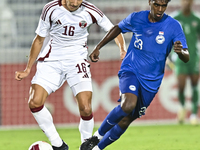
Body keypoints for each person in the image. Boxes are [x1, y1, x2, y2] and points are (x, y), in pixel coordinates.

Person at [15, 0, 126, 150]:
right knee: (34, 102)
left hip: (77, 60)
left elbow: (114, 29)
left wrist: (122, 49)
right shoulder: (50, 9)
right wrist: (28, 68)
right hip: (52, 60)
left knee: (86, 108)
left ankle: (86, 145)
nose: (75, 2)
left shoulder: (90, 10)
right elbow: (39, 39)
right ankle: (58, 145)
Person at [79, 0, 190, 150]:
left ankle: (97, 149)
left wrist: (180, 51)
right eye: (157, 4)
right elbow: (118, 28)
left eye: (164, 6)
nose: (160, 9)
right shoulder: (136, 18)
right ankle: (96, 137)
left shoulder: (173, 26)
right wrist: (98, 47)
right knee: (127, 104)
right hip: (131, 69)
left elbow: (186, 56)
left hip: (151, 82)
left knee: (126, 120)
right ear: (150, 2)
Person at [171, 0, 200, 125]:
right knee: (181, 85)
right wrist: (170, 56)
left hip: (194, 57)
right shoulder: (175, 18)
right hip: (180, 58)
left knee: (194, 84)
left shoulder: (197, 19)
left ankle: (194, 114)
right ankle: (182, 107)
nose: (186, 3)